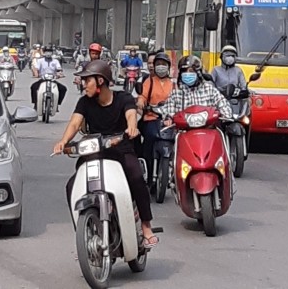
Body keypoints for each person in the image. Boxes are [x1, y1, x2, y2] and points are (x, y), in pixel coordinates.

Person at [54, 60, 159, 248]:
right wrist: (63, 142)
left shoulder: (123, 98)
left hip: (121, 150)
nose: (84, 84)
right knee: (72, 186)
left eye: (87, 80)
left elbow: (131, 114)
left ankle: (145, 226)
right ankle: (84, 233)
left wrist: (132, 128)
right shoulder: (84, 102)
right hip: (94, 151)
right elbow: (75, 123)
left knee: (136, 177)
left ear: (100, 81)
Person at [135, 52, 175, 185]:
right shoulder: (149, 81)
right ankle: (146, 171)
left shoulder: (173, 84)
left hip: (168, 120)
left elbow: (179, 101)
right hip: (151, 118)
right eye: (158, 64)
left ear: (168, 67)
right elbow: (143, 96)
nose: (161, 67)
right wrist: (141, 102)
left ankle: (172, 169)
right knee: (148, 142)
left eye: (164, 64)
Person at [157, 55, 233, 121]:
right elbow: (168, 111)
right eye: (184, 72)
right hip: (184, 131)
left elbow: (223, 104)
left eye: (191, 71)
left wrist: (225, 115)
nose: (187, 74)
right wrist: (168, 118)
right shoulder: (176, 93)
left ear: (198, 73)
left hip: (208, 129)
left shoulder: (209, 90)